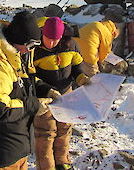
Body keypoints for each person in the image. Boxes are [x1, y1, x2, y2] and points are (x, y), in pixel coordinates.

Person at [0, 11, 52, 170]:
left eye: (35, 46)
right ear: (18, 39)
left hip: (16, 140)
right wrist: (34, 106)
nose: (30, 51)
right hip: (1, 146)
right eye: (30, 45)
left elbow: (26, 82)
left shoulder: (15, 54)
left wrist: (47, 90)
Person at [33, 17, 90, 170]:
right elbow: (30, 76)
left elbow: (78, 66)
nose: (51, 43)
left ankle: (62, 161)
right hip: (45, 99)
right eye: (48, 39)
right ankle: (46, 167)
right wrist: (46, 90)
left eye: (55, 39)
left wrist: (81, 77)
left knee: (64, 129)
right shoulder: (35, 50)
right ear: (42, 34)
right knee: (46, 134)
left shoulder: (71, 45)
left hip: (66, 95)